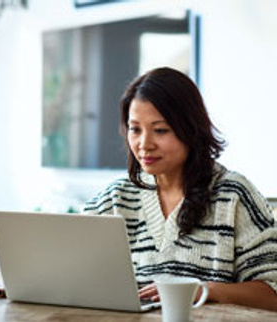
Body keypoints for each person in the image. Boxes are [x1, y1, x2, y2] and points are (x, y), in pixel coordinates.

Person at [82, 67, 277, 311]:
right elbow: (68, 266)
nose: (144, 144)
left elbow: (272, 292)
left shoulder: (234, 195)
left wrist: (204, 289)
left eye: (161, 130)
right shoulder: (115, 198)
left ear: (191, 129)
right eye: (135, 129)